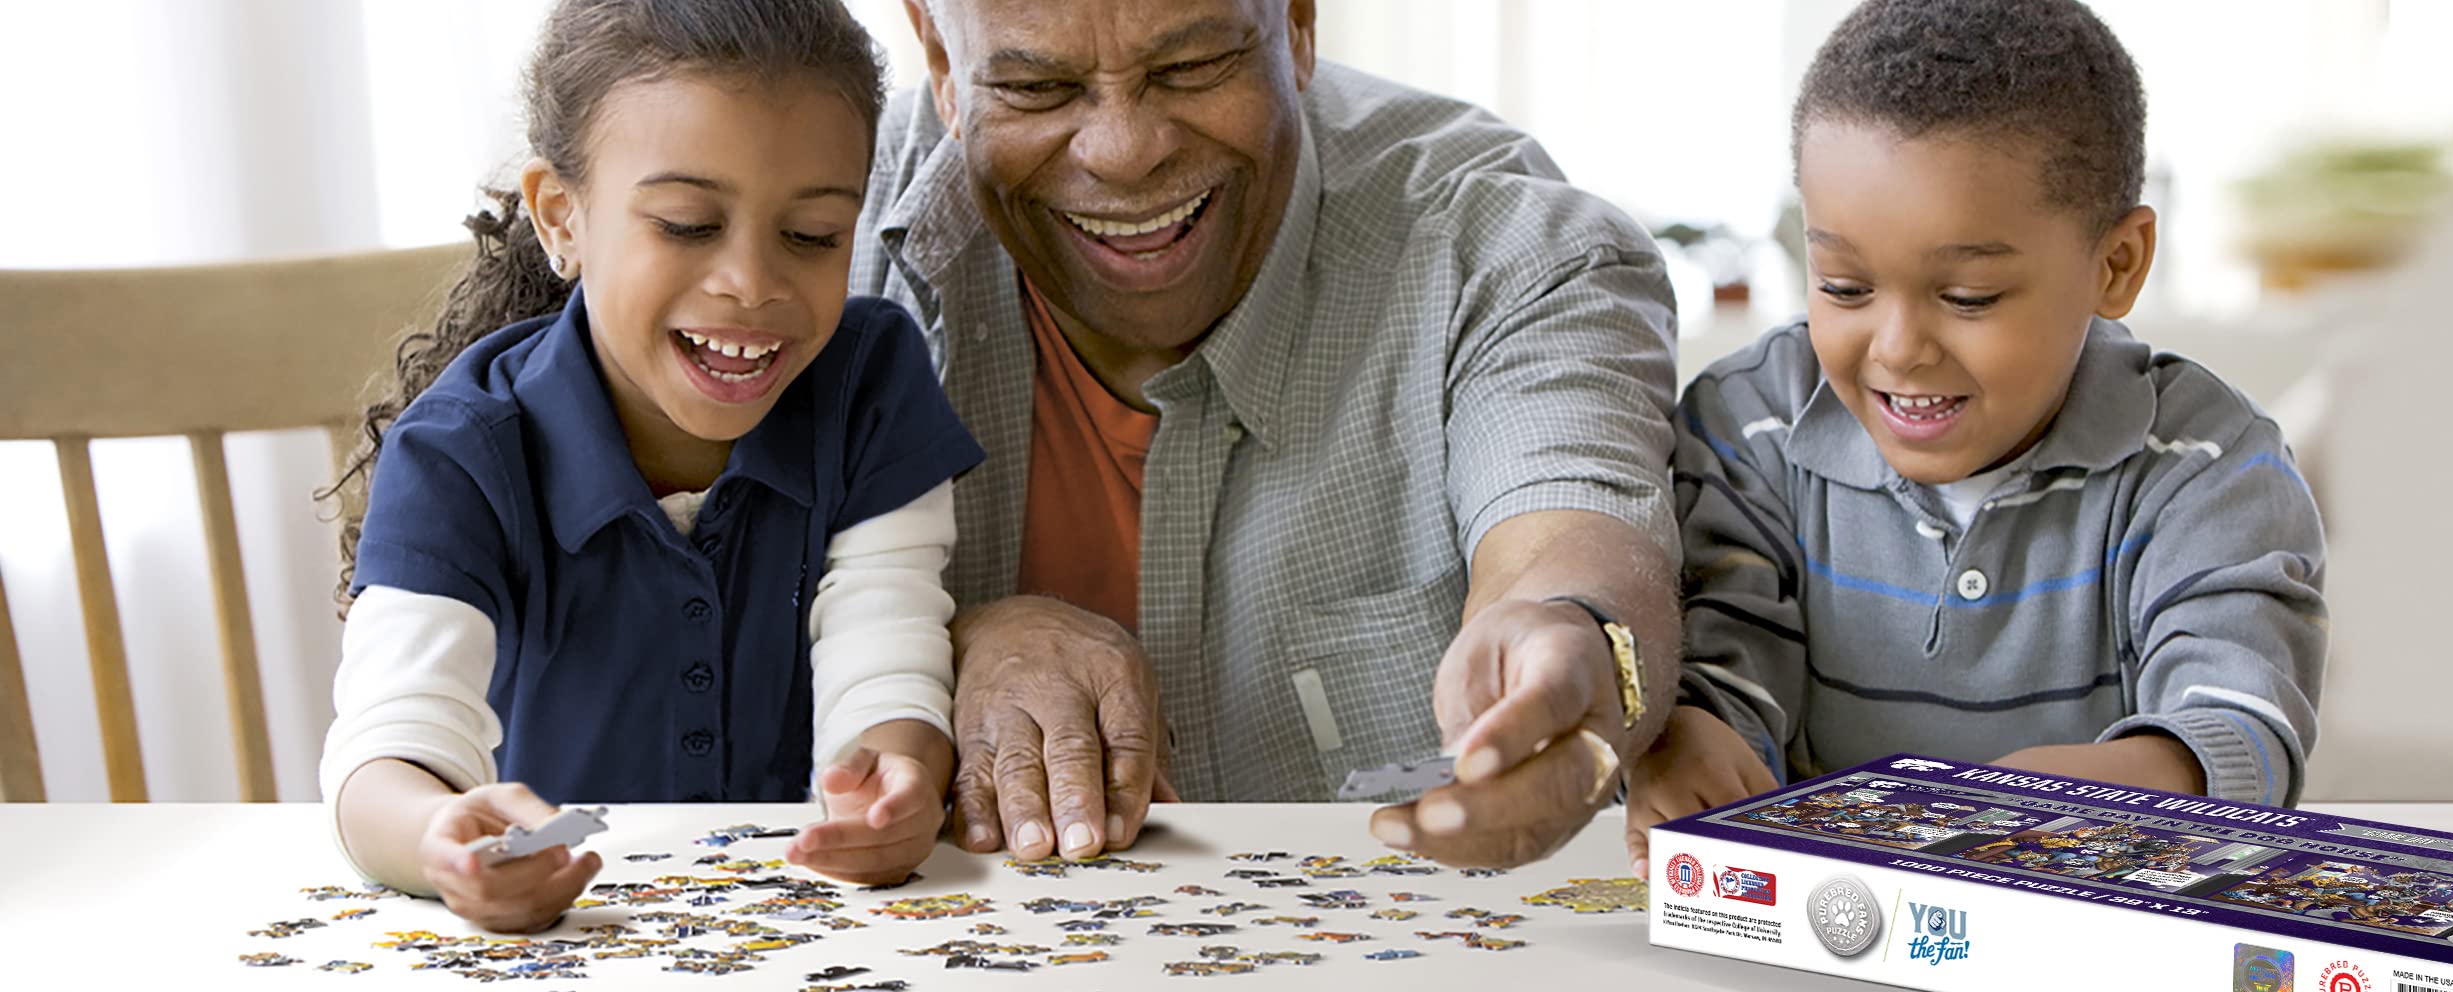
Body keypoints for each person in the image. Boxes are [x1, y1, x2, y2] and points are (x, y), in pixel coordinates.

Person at [857, 0, 1682, 869]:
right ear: (941, 61)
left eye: (1191, 67)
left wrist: (1577, 645)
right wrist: (937, 642)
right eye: (1035, 86)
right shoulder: (795, 223)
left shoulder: (1503, 244)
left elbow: (1568, 539)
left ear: (1296, 23)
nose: (1124, 151)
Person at [316, 0, 983, 932]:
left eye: (814, 235)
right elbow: (386, 750)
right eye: (684, 223)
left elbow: (886, 647)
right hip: (565, 939)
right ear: (561, 217)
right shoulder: (460, 451)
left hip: (813, 929)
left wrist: (894, 778)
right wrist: (438, 837)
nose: (751, 281)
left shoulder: (871, 384)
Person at [1627, 0, 2327, 875]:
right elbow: (1725, 645)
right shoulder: (1748, 424)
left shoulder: (2207, 464)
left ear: (2116, 265)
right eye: (1844, 286)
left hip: (2088, 919)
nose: (1897, 349)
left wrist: (2130, 782)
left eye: (1967, 298)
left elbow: (2238, 711)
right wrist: (1689, 733)